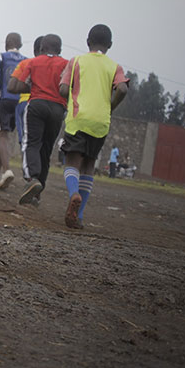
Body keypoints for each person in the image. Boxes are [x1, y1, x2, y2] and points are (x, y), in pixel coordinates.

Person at [59, 25, 128, 229]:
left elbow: (63, 88)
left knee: (72, 162)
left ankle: (74, 194)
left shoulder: (76, 61)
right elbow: (122, 88)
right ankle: (79, 216)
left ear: (88, 41)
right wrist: (111, 107)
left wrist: (71, 99)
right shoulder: (115, 67)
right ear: (110, 45)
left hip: (79, 118)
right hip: (101, 122)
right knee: (89, 165)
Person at [10, 33, 67, 206]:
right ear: (60, 50)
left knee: (31, 143)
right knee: (47, 149)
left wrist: (33, 85)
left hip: (36, 105)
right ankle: (38, 192)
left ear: (41, 48)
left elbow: (14, 86)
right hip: (58, 109)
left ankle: (31, 178)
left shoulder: (33, 62)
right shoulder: (67, 64)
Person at [0, 32, 26, 187]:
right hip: (19, 100)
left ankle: (7, 170)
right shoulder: (25, 60)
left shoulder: (1, 56)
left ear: (6, 43)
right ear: (20, 45)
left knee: (2, 136)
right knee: (5, 135)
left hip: (4, 98)